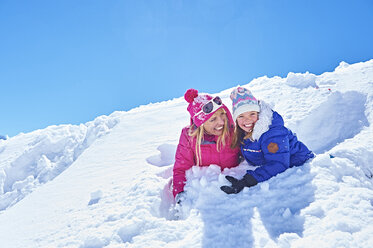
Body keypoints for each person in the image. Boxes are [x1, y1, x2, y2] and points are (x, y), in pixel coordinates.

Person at [221, 87, 314, 194]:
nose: (247, 120)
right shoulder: (244, 131)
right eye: (241, 115)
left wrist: (247, 180)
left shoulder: (272, 133)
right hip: (274, 164)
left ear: (259, 114)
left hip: (299, 166)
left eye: (252, 114)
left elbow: (279, 164)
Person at [173, 88, 240, 201]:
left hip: (236, 193)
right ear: (201, 123)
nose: (221, 122)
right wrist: (179, 193)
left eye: (222, 115)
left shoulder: (233, 133)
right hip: (206, 196)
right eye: (213, 119)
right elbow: (181, 168)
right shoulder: (189, 136)